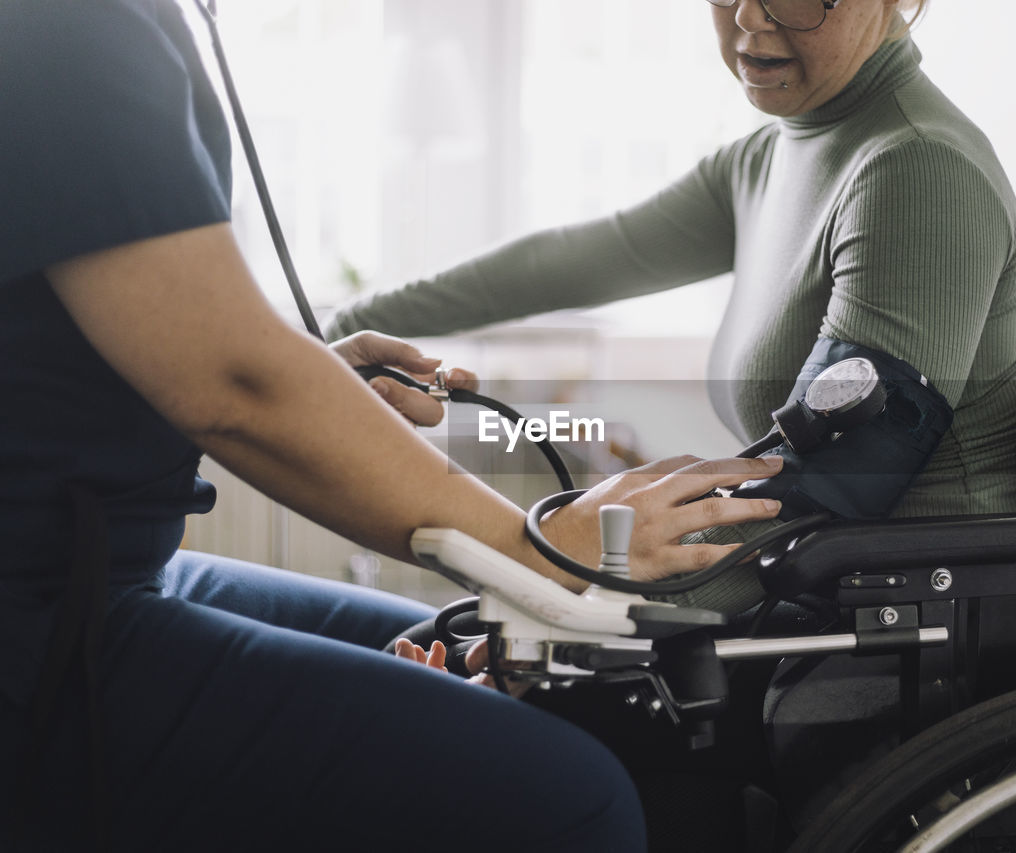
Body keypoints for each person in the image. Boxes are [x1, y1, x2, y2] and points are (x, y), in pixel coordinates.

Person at [0, 1, 786, 849]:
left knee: (451, 658)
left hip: (110, 567)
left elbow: (122, 338)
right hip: (44, 610)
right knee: (572, 795)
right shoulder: (75, 18)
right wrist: (540, 547)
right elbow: (231, 378)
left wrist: (320, 389)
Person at [325, 0, 1016, 615]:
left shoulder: (919, 169)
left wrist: (578, 603)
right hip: (825, 595)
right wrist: (325, 331)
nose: (748, 19)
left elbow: (827, 490)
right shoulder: (773, 154)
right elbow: (567, 263)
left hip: (922, 619)